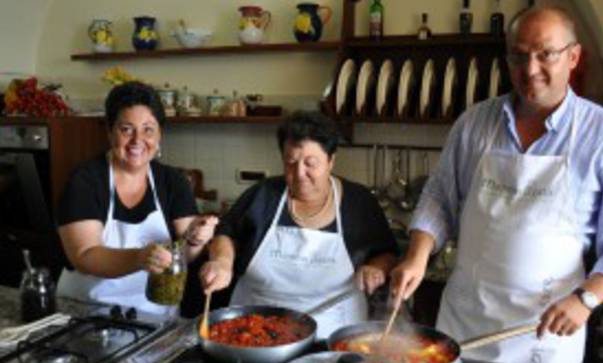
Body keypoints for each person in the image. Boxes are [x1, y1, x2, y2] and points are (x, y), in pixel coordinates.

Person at [390, 5, 603, 363]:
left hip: (543, 335)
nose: (530, 70)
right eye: (519, 56)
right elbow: (439, 195)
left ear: (573, 56)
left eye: (546, 54)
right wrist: (417, 256)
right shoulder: (473, 124)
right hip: (464, 327)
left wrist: (587, 299)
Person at [199, 111, 398, 339]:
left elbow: (387, 253)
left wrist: (376, 268)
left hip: (332, 334)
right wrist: (222, 262)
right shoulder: (263, 194)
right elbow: (226, 233)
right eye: (290, 163)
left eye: (310, 164)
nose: (299, 174)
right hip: (253, 327)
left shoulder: (358, 202)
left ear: (331, 161)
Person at [56, 81, 218, 314]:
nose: (137, 140)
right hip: (89, 314)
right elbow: (84, 256)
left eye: (148, 129)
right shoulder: (86, 181)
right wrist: (139, 258)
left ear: (160, 134)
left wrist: (196, 239)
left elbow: (186, 256)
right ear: (110, 131)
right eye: (126, 129)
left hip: (154, 317)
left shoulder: (173, 182)